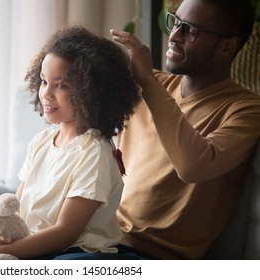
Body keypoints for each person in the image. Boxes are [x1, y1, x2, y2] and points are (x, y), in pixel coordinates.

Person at [0, 25, 141, 260]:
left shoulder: (95, 152)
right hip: (26, 238)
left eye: (61, 85)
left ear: (90, 91)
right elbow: (15, 208)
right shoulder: (41, 142)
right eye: (43, 81)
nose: (46, 93)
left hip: (73, 250)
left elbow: (65, 234)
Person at [109, 0, 260, 259]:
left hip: (155, 257)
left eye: (190, 30)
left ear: (227, 46)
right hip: (100, 238)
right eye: (176, 22)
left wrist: (147, 80)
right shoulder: (148, 83)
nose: (174, 36)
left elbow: (193, 167)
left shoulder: (246, 109)